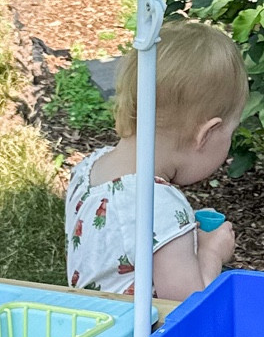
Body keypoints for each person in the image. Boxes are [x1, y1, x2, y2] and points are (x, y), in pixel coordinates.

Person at [65, 21, 247, 301]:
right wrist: (212, 253)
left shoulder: (90, 168)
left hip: (92, 329)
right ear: (206, 134)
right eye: (230, 133)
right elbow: (186, 308)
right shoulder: (158, 207)